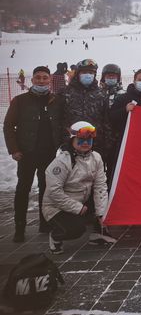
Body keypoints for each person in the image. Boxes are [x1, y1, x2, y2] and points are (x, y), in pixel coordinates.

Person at [4, 66, 64, 242]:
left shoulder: (56, 100)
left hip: (49, 152)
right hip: (27, 152)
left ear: (50, 80)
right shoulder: (20, 100)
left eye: (45, 78)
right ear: (32, 80)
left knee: (47, 189)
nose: (41, 81)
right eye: (38, 78)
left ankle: (45, 223)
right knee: (23, 189)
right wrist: (14, 149)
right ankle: (19, 227)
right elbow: (8, 125)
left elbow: (61, 123)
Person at [43, 121, 113, 254]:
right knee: (76, 230)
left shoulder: (96, 157)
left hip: (82, 200)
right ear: (72, 140)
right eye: (81, 140)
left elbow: (100, 186)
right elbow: (54, 192)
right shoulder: (62, 162)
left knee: (104, 201)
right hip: (56, 206)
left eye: (89, 140)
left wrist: (101, 213)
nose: (86, 143)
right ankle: (56, 236)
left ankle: (97, 233)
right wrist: (77, 208)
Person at [61, 59, 109, 156]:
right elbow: (59, 119)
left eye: (91, 72)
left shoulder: (101, 94)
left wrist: (106, 144)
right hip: (70, 145)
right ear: (78, 74)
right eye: (84, 72)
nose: (88, 75)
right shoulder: (65, 93)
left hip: (95, 145)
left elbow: (106, 120)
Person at [109, 69, 141, 136]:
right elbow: (111, 117)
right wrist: (125, 110)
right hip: (126, 138)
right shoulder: (122, 98)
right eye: (140, 80)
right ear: (134, 81)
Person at [99, 63, 125, 187]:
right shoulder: (97, 93)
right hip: (98, 140)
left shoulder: (123, 95)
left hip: (116, 140)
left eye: (113, 76)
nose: (111, 78)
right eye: (108, 76)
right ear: (103, 77)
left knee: (113, 173)